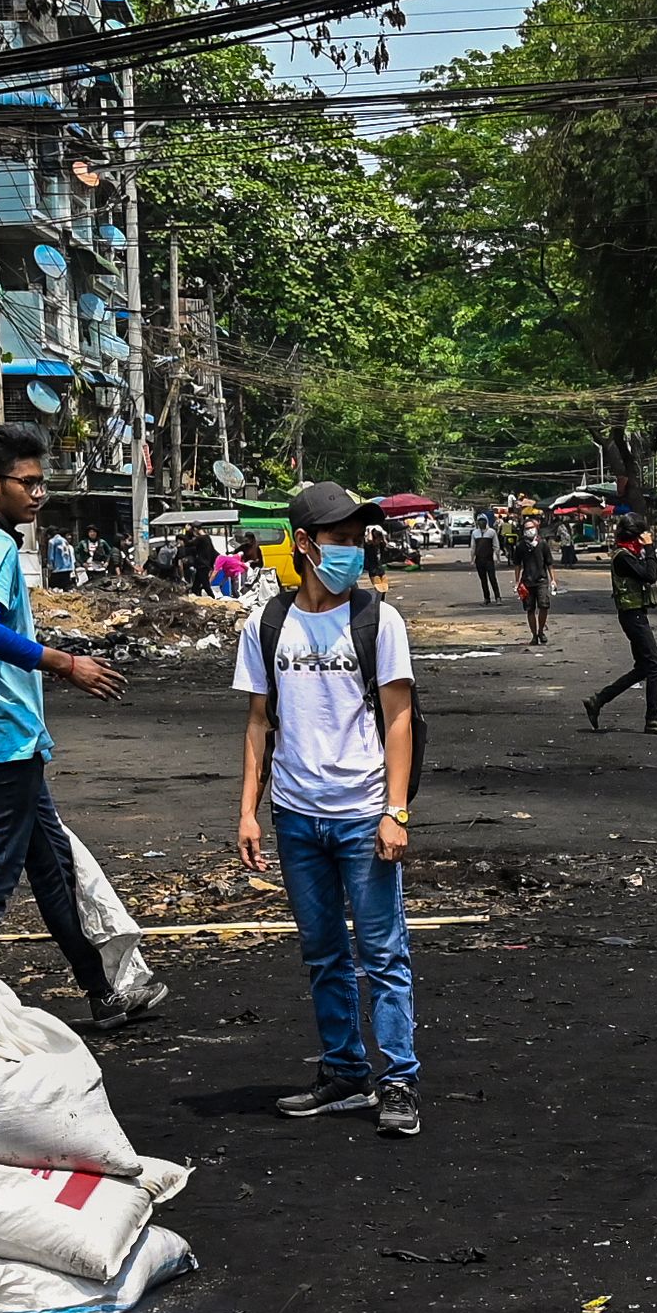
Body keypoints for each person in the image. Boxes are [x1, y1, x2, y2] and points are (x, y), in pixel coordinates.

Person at [0, 425, 155, 1031]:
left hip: (1, 732)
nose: (38, 495)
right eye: (27, 483)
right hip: (2, 733)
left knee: (50, 866)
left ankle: (102, 991)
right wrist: (63, 662)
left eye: (41, 482)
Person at [234, 482, 424, 1138]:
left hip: (361, 814)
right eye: (339, 538)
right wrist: (248, 811)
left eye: (357, 536)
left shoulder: (379, 621)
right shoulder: (267, 624)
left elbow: (399, 719)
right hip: (295, 816)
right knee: (322, 953)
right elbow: (259, 722)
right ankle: (345, 1072)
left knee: (383, 952)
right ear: (306, 543)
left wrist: (394, 810)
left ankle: (397, 1079)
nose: (351, 548)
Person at [585, 517, 657, 734]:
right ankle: (653, 719)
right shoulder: (623, 557)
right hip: (633, 617)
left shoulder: (631, 554)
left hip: (635, 615)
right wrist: (650, 547)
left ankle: (598, 700)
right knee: (655, 666)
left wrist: (646, 550)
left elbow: (652, 574)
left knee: (643, 668)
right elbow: (651, 576)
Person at [511, 508, 553, 646]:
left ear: (536, 529)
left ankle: (541, 630)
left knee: (544, 606)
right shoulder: (521, 546)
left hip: (541, 580)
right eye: (526, 528)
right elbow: (517, 564)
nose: (529, 530)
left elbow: (549, 563)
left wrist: (553, 580)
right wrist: (517, 582)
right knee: (530, 609)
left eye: (531, 528)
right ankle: (534, 635)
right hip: (527, 582)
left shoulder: (543, 544)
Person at [473, 514, 502, 605]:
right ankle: (486, 598)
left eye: (483, 520)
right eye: (480, 520)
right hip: (479, 559)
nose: (482, 522)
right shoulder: (475, 533)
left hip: (489, 559)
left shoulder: (491, 532)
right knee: (483, 580)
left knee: (492, 578)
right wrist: (472, 559)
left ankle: (498, 597)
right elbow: (473, 547)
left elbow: (496, 546)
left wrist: (498, 558)